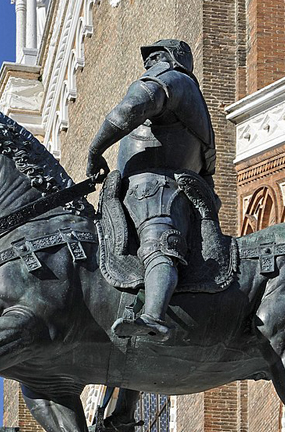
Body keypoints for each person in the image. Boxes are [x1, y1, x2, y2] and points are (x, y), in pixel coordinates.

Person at [86, 39, 217, 341]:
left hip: (157, 190)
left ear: (168, 58)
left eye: (154, 58)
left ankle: (153, 317)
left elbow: (132, 107)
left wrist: (95, 149)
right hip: (137, 191)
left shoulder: (172, 80)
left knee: (156, 243)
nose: (149, 66)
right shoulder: (196, 108)